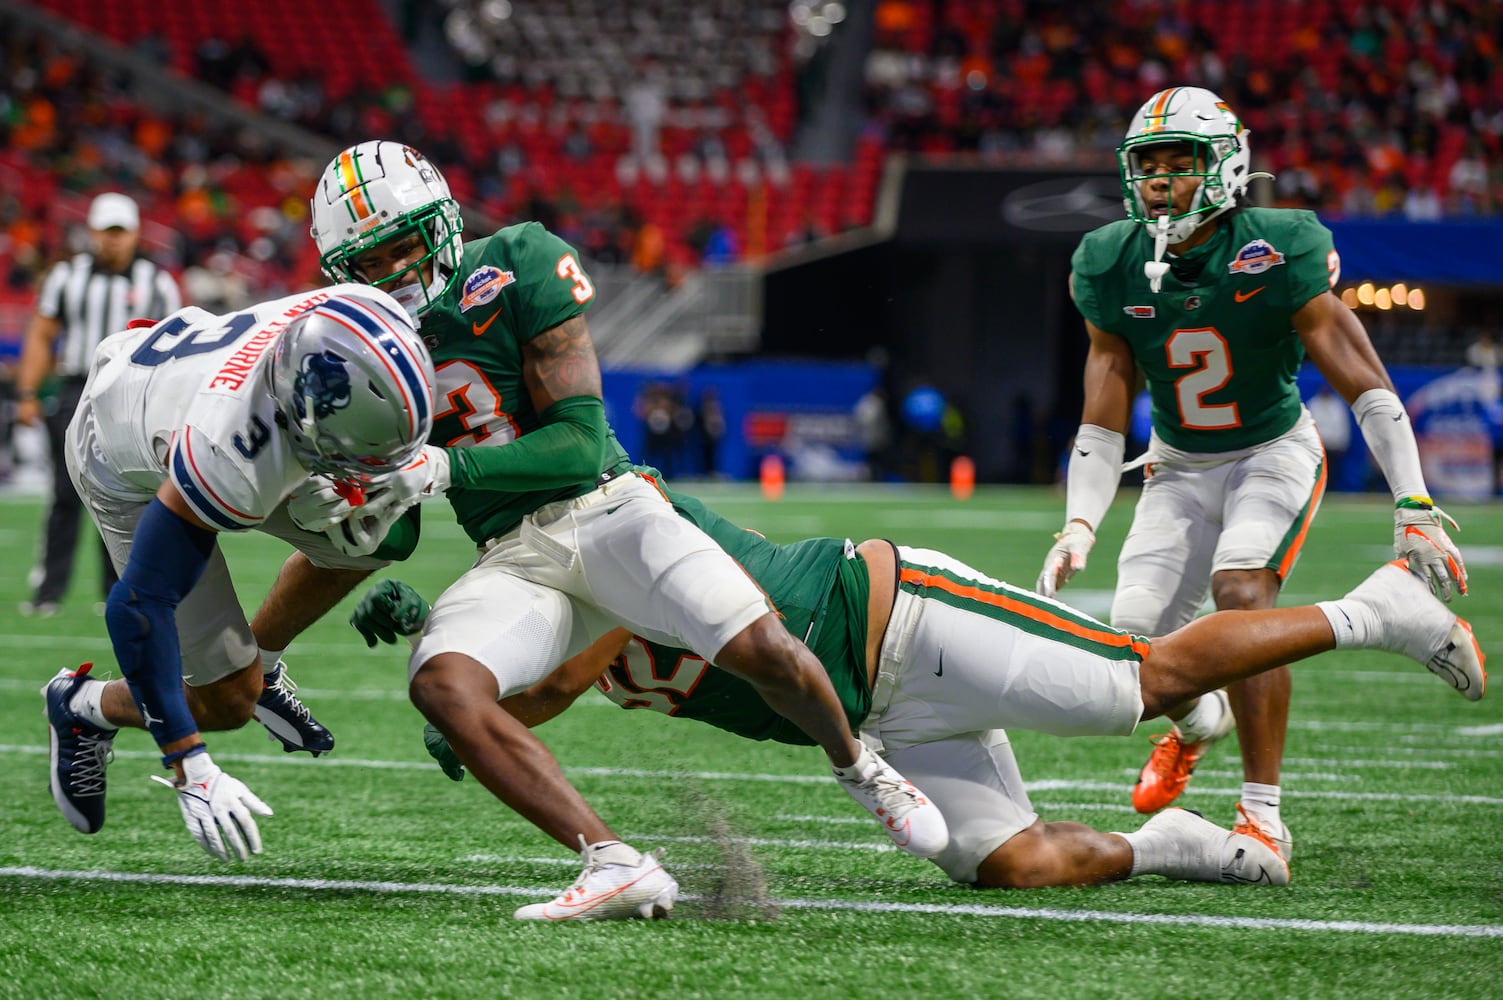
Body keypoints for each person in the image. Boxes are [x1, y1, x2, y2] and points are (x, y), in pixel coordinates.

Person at [298, 139, 947, 918]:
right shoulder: (348, 347)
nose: (396, 273)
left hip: (608, 506)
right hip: (512, 553)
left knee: (761, 649)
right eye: (371, 262)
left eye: (405, 246)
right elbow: (388, 513)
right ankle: (612, 862)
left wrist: (440, 469)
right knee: (442, 685)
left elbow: (574, 440)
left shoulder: (516, 260)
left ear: (441, 225)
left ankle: (859, 767)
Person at [350, 488, 1484, 892]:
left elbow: (559, 680)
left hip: (907, 620)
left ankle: (1377, 607)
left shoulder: (618, 526)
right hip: (888, 715)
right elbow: (536, 686)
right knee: (1007, 864)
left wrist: (463, 683)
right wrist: (463, 685)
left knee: (1137, 682)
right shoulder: (553, 585)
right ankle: (1192, 845)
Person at [1034, 87, 1468, 861]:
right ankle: (1200, 726)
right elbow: (1101, 414)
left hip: (1271, 450)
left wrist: (1414, 500)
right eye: (1148, 164)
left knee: (1241, 593)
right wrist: (1078, 524)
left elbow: (1365, 383)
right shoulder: (1108, 259)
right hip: (1175, 464)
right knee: (1132, 651)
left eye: (1180, 162)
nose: (1161, 180)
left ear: (1225, 166)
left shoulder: (1279, 243)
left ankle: (1262, 814)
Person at [42, 284, 436, 861]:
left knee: (377, 532)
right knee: (228, 701)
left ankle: (266, 663)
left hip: (198, 384)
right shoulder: (228, 451)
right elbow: (139, 604)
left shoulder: (360, 313)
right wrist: (188, 761)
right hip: (122, 452)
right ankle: (81, 705)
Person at [15, 192, 182, 617]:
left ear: (134, 234)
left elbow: (180, 344)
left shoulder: (156, 282)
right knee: (65, 493)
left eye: (120, 232)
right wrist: (28, 392)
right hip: (76, 390)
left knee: (127, 493)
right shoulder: (66, 278)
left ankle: (119, 589)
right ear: (91, 233)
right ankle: (49, 590)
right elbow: (41, 333)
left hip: (132, 394)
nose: (112, 241)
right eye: (105, 232)